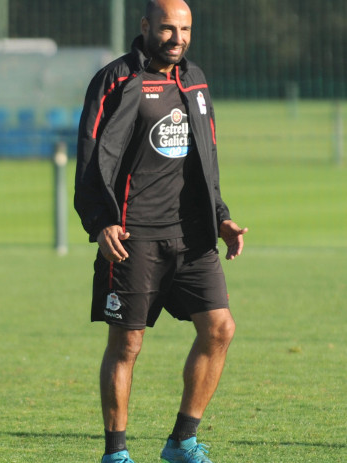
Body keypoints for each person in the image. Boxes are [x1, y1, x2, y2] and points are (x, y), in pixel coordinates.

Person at [74, 1, 248, 462]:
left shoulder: (195, 80)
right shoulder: (115, 79)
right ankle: (116, 453)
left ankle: (182, 442)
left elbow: (204, 158)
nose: (178, 38)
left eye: (185, 29)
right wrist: (100, 222)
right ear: (146, 26)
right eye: (168, 29)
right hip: (133, 237)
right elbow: (90, 159)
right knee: (127, 343)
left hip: (193, 236)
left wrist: (222, 216)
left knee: (219, 329)